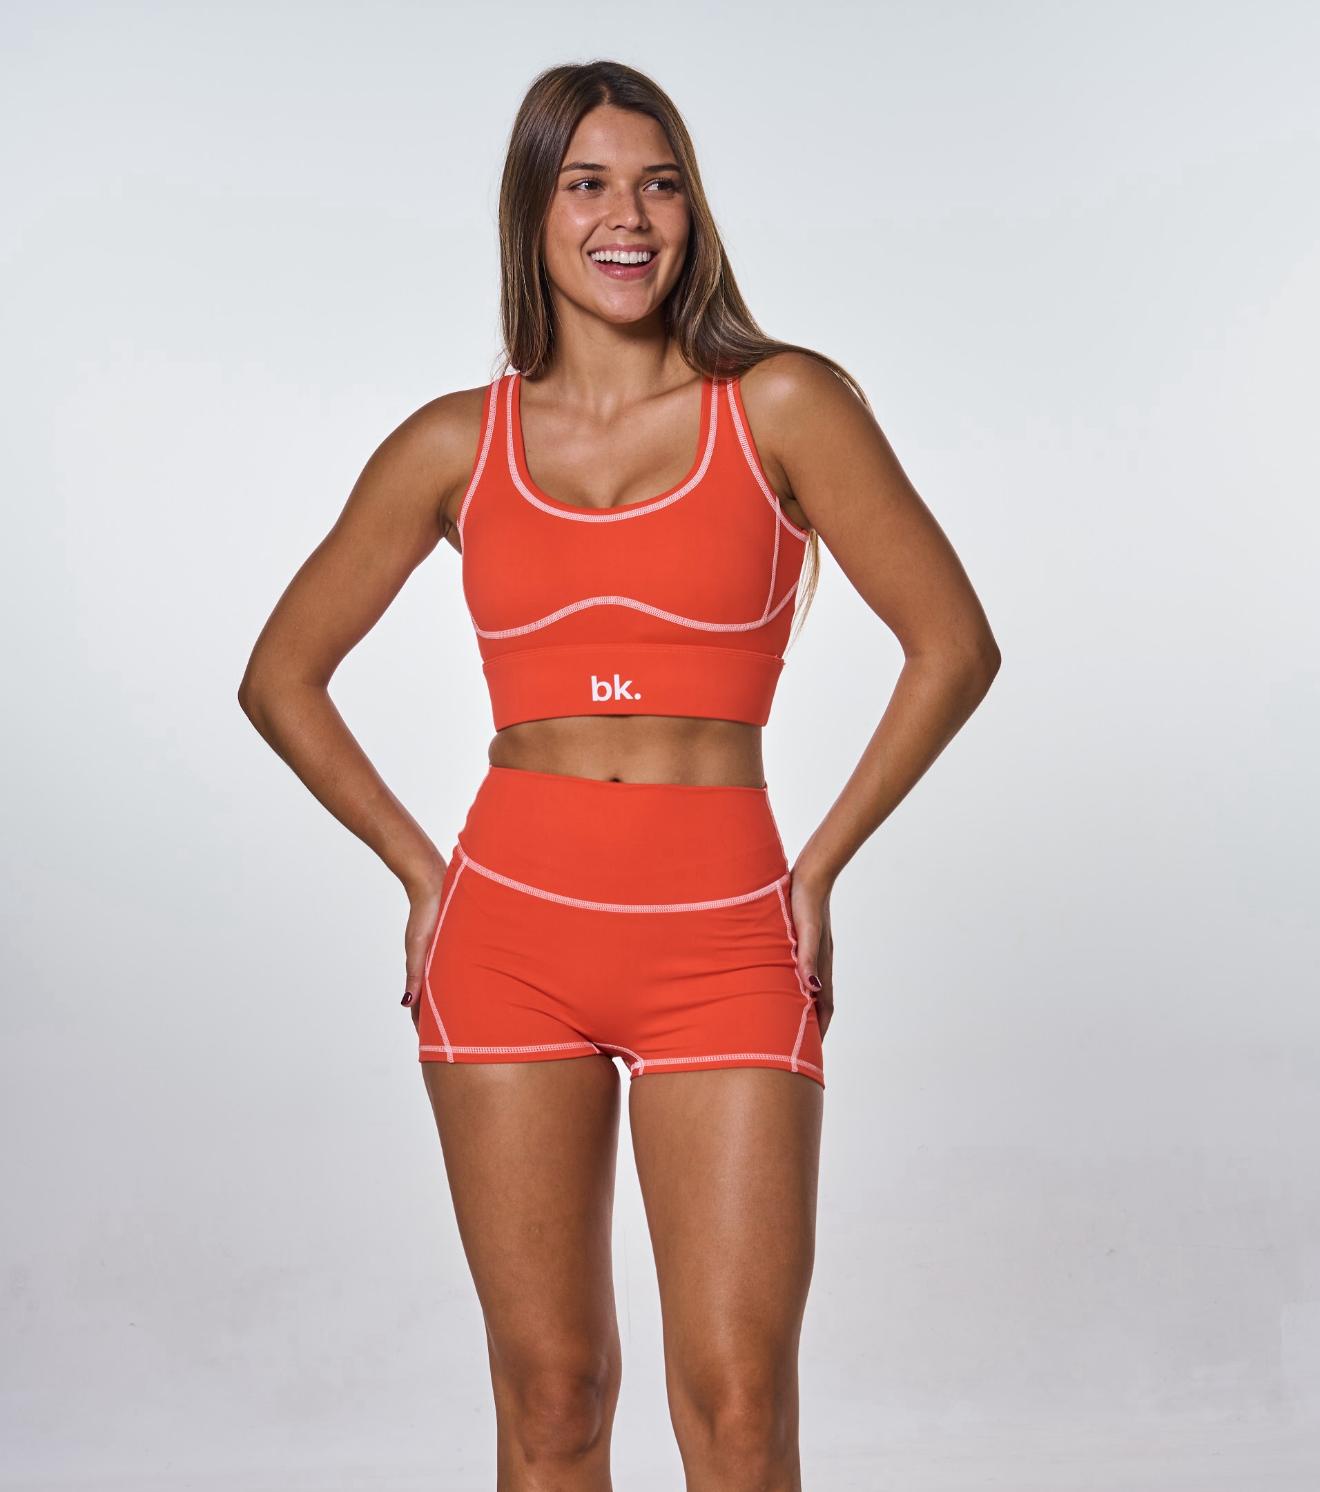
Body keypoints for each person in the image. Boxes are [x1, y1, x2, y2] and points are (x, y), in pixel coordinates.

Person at [239, 59, 1000, 1492]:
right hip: (509, 937)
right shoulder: (454, 442)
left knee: (739, 1410)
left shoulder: (783, 407)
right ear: (533, 211)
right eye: (587, 184)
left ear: (693, 211)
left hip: (723, 933)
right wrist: (424, 873)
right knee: (554, 1397)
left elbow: (954, 646)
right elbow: (280, 676)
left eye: (660, 185)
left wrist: (819, 867)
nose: (627, 218)